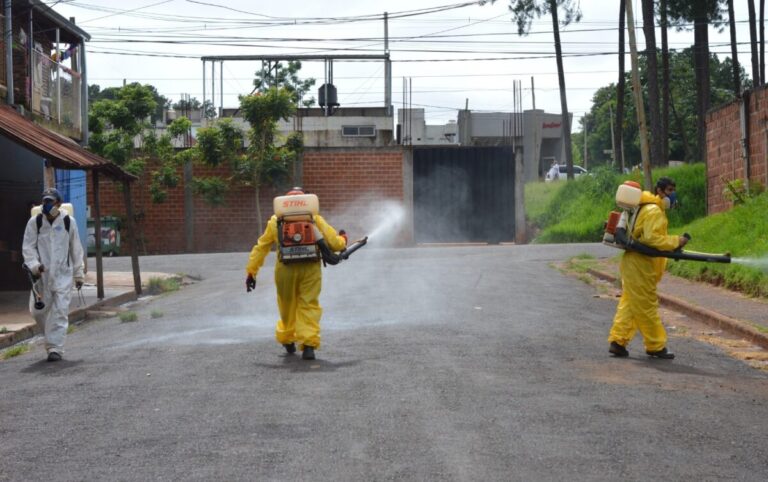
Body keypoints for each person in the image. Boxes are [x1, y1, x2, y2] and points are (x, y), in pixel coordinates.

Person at [245, 187, 347, 360]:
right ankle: (308, 346)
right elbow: (335, 244)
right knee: (308, 304)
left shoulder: (275, 221)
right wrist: (343, 239)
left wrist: (251, 272)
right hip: (310, 268)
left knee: (287, 306)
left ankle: (288, 339)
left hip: (285, 270)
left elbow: (260, 248)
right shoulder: (314, 219)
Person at [608, 177, 686, 359]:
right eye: (668, 190)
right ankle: (655, 345)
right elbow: (652, 239)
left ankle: (618, 342)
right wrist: (676, 241)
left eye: (673, 190)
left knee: (630, 303)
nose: (672, 195)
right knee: (646, 305)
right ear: (658, 191)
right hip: (641, 264)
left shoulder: (639, 207)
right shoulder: (653, 210)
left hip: (632, 263)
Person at [22, 188, 85, 362]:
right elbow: (28, 247)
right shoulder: (35, 223)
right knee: (37, 312)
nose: (47, 205)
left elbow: (76, 249)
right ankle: (51, 339)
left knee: (60, 312)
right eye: (45, 201)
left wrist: (78, 274)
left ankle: (54, 348)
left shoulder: (68, 222)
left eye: (51, 201)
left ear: (58, 203)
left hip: (63, 276)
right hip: (41, 276)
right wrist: (35, 266)